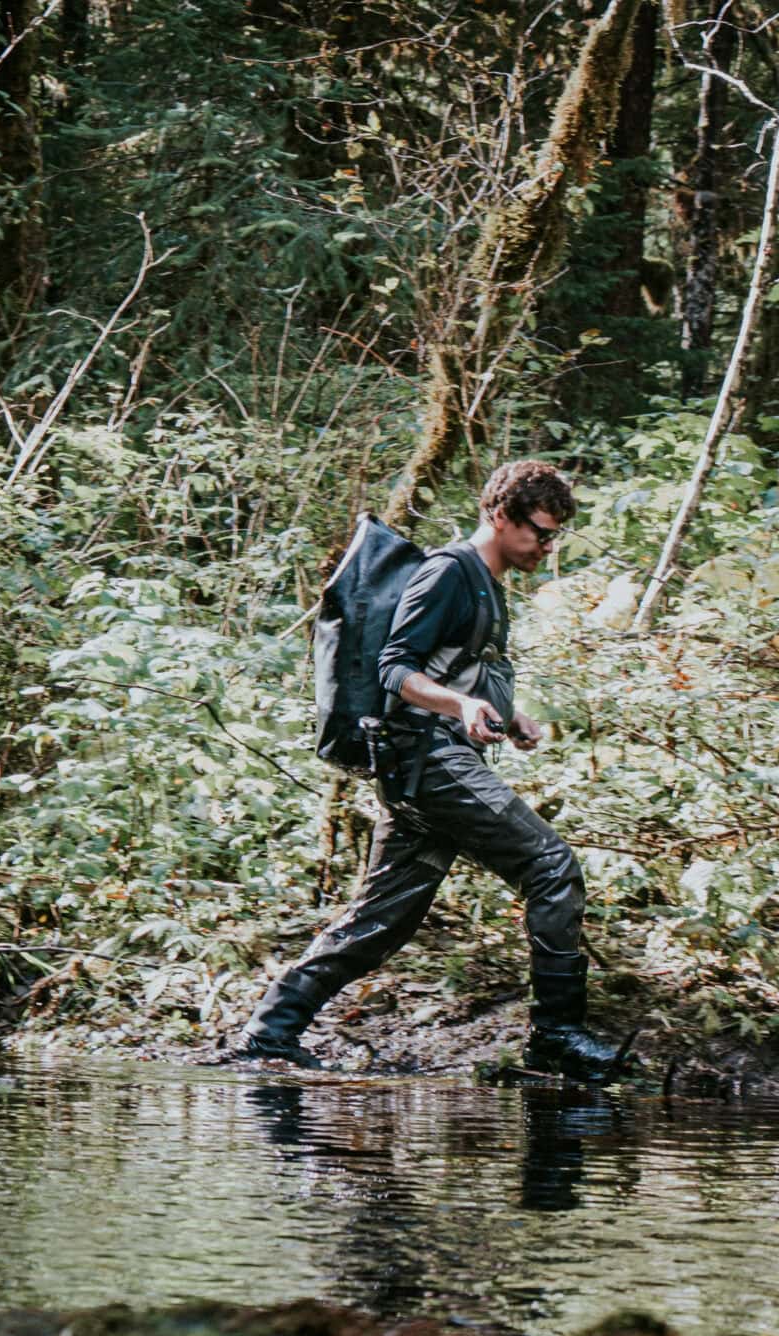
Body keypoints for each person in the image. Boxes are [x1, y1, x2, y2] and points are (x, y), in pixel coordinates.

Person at [236, 460, 625, 1079]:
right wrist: (461, 705)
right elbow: (395, 668)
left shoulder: (486, 584)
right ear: (500, 515)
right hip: (430, 760)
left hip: (427, 767)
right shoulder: (448, 572)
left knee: (384, 917)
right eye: (538, 533)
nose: (545, 547)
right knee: (551, 867)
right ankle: (556, 1036)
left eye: (554, 537)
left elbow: (455, 669)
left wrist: (507, 713)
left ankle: (267, 1034)